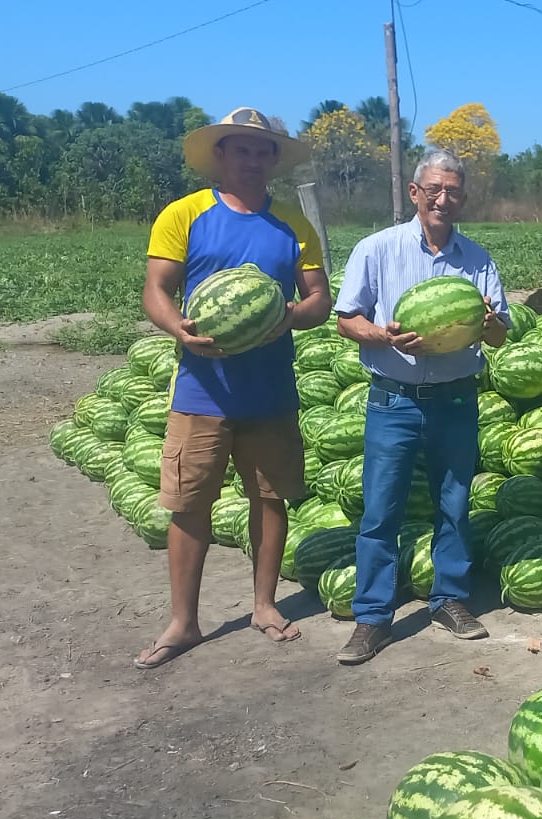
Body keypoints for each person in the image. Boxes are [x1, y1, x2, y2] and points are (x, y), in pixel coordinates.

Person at [134, 107, 332, 669]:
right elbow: (156, 287)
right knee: (188, 504)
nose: (251, 159)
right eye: (240, 149)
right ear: (220, 155)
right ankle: (184, 622)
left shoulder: (292, 222)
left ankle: (264, 605)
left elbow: (319, 297)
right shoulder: (185, 213)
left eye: (261, 150)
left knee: (270, 499)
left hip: (270, 391)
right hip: (201, 391)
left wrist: (289, 316)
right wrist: (178, 329)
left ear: (273, 160)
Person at [333, 149, 510, 666]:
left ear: (461, 196)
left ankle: (449, 600)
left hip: (456, 399)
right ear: (415, 193)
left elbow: (498, 335)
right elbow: (347, 320)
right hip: (394, 399)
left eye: (452, 190)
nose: (442, 198)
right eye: (433, 188)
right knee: (380, 510)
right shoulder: (377, 248)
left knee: (454, 506)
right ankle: (372, 618)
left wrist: (488, 322)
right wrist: (383, 336)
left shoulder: (476, 258)